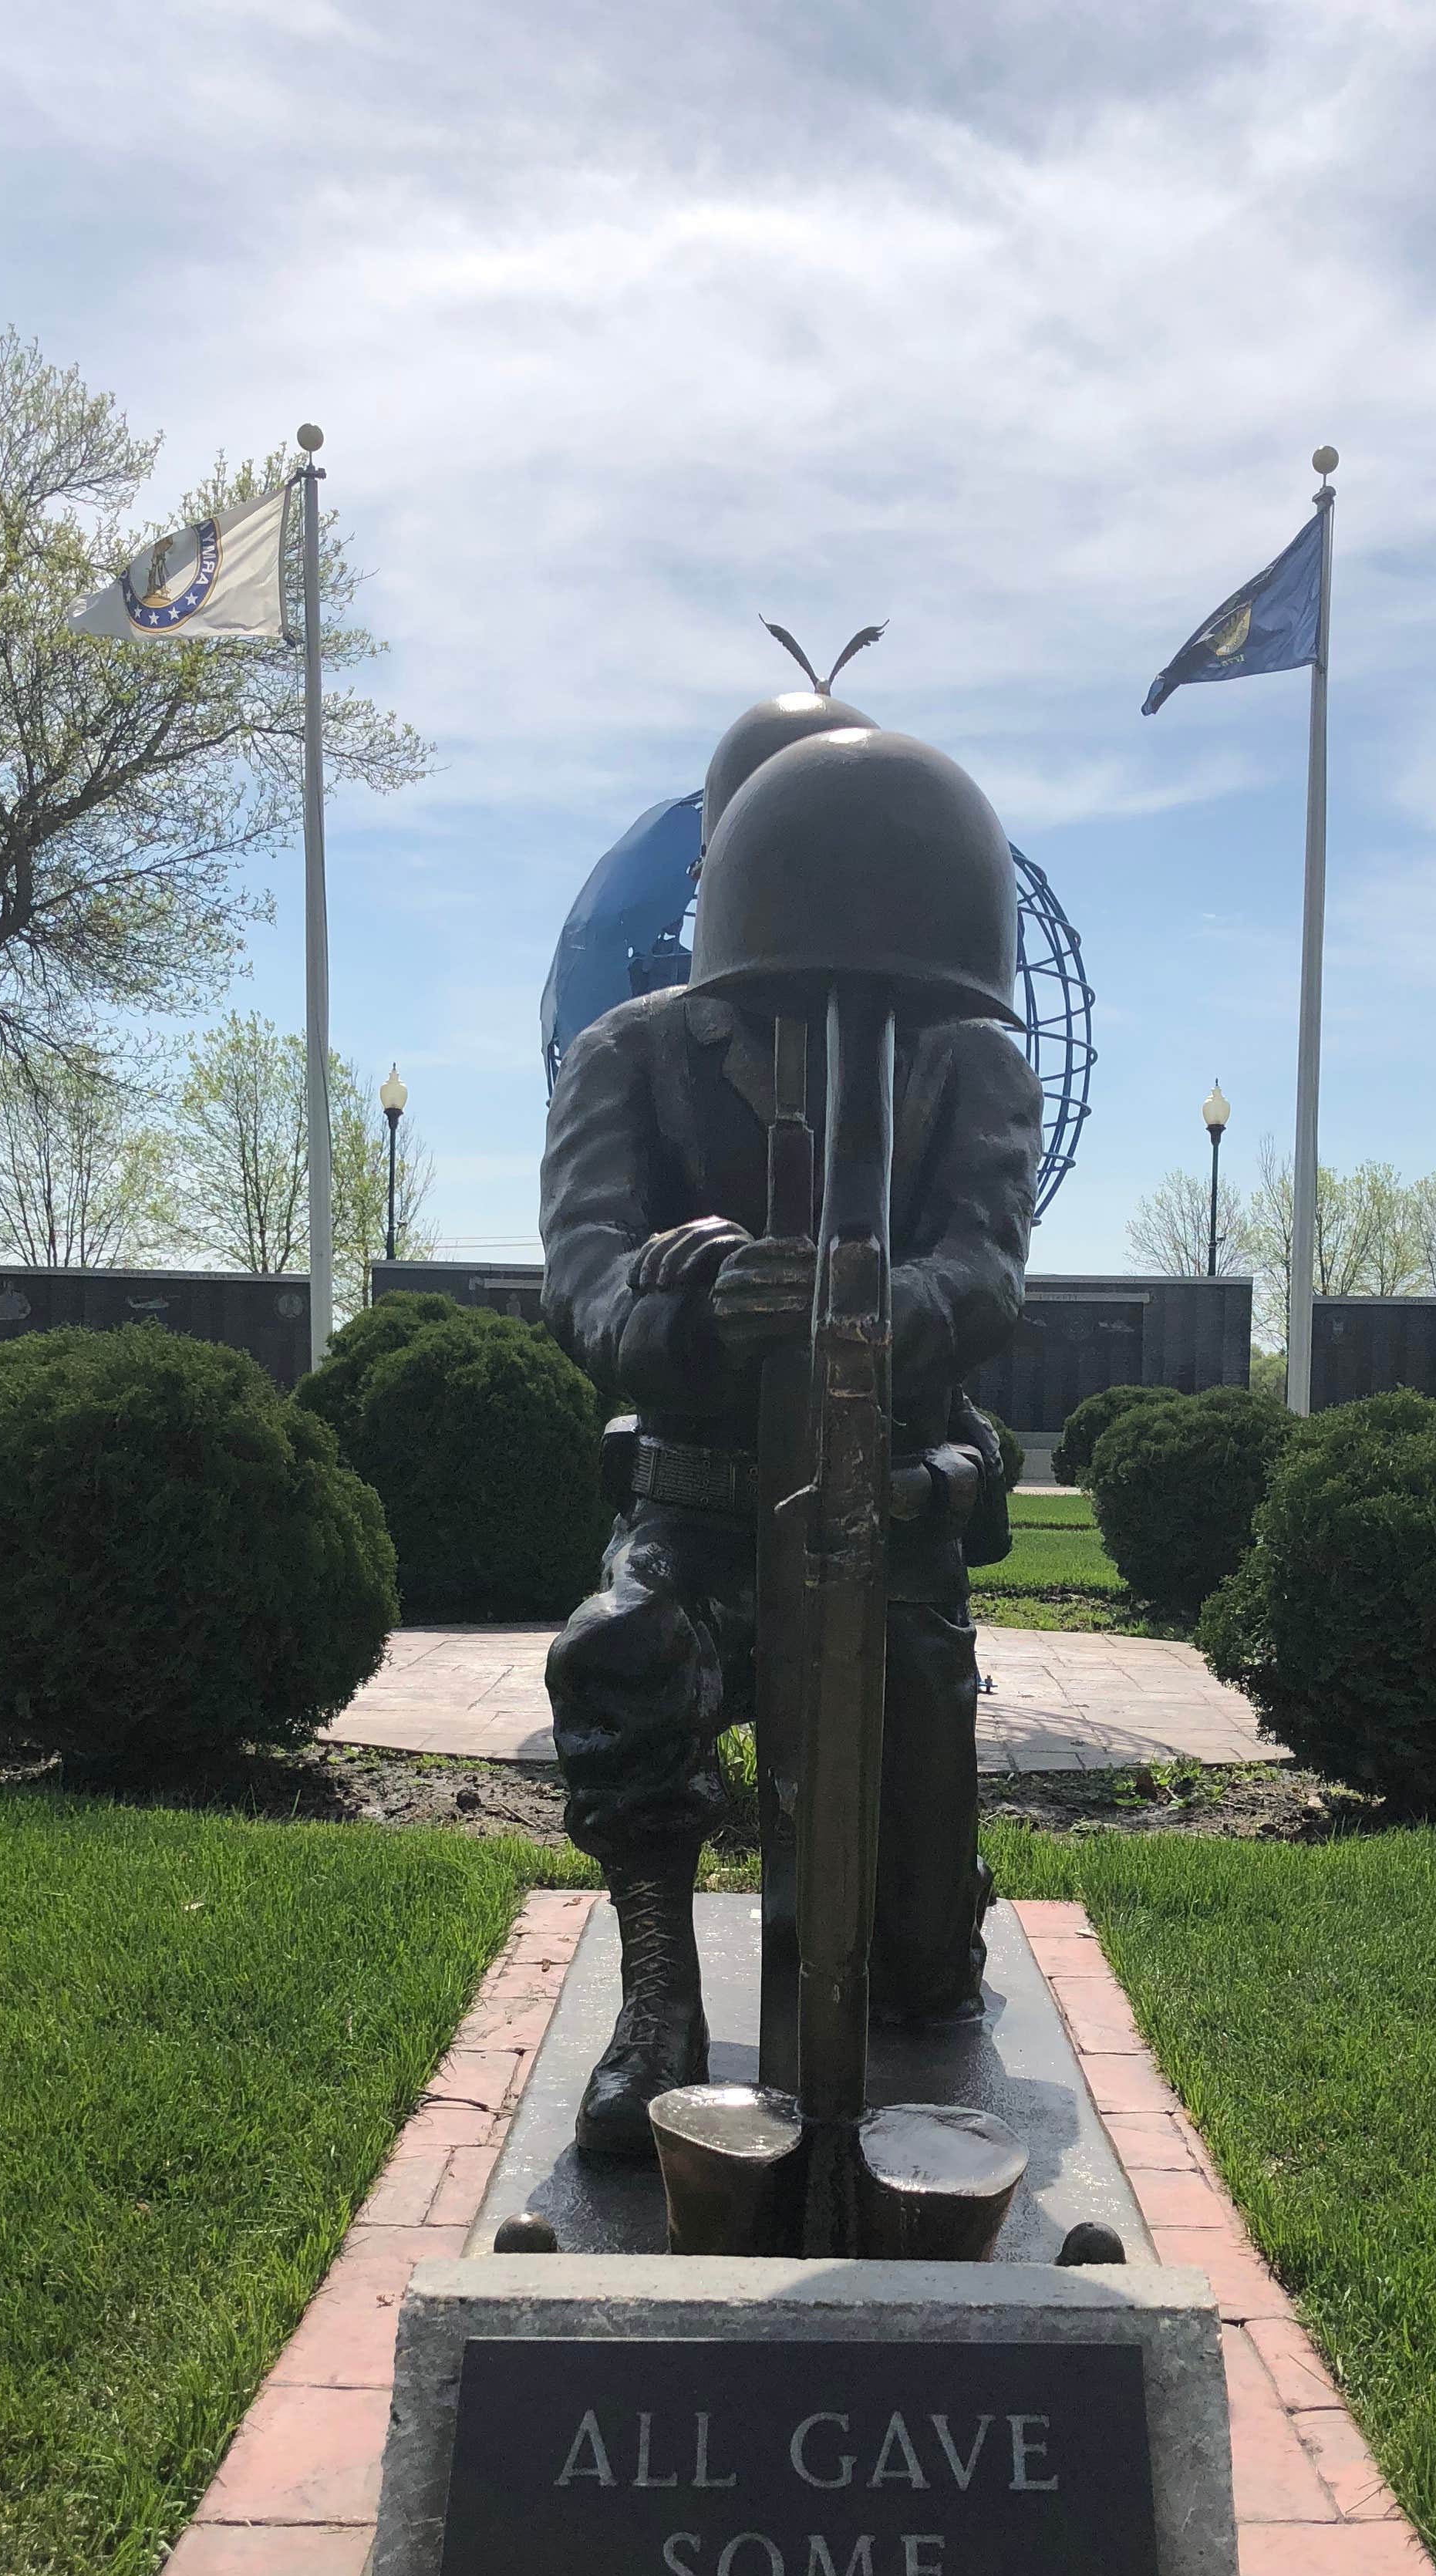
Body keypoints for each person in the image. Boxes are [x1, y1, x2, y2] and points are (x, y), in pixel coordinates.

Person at [538, 702, 1042, 2160]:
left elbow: (986, 1266)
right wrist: (691, 1315)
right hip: (695, 1497)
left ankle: (929, 1912)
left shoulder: (956, 1053)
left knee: (914, 1982)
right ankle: (656, 2005)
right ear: (718, 851)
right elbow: (583, 1275)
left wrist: (858, 1305)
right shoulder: (630, 1056)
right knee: (620, 1649)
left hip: (890, 1499)